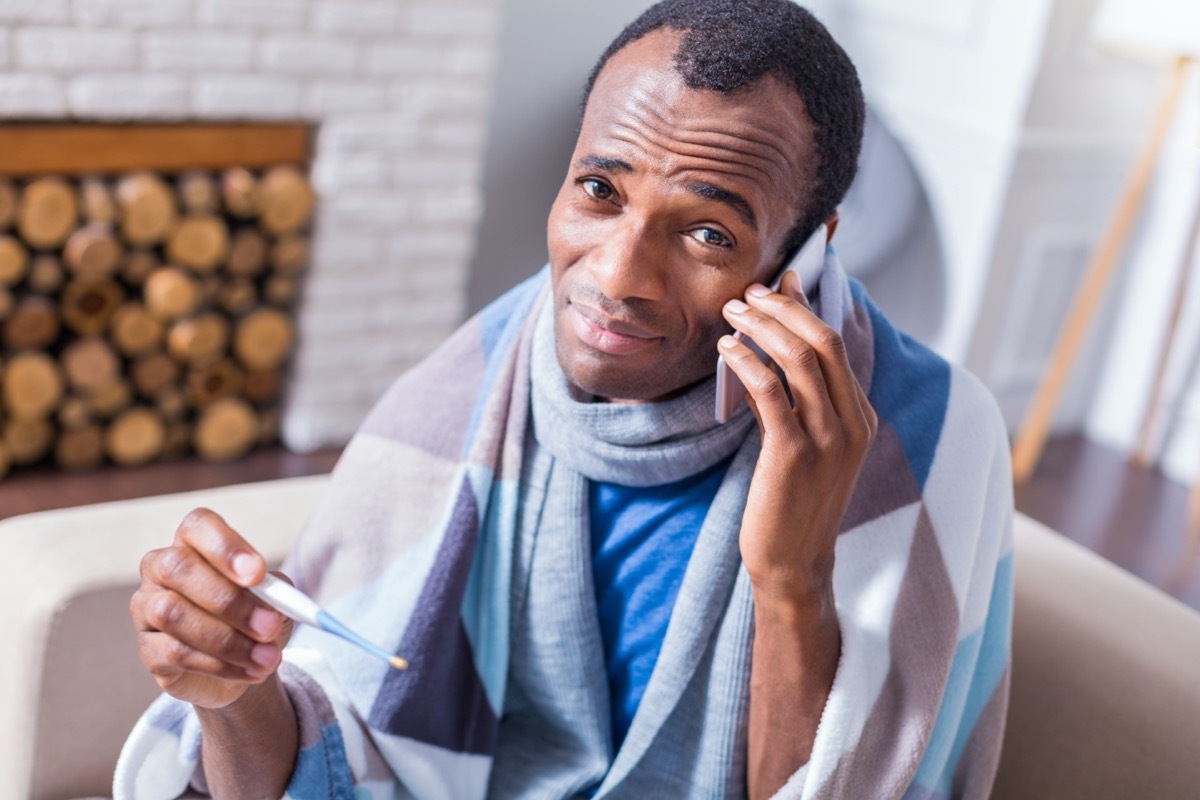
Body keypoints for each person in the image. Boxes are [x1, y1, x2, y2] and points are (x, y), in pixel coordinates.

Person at [116, 1, 1014, 798]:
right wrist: (236, 692)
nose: (616, 278)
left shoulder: (933, 436)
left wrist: (792, 578)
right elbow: (322, 766)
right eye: (599, 190)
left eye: (708, 231)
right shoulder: (473, 381)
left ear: (804, 258)